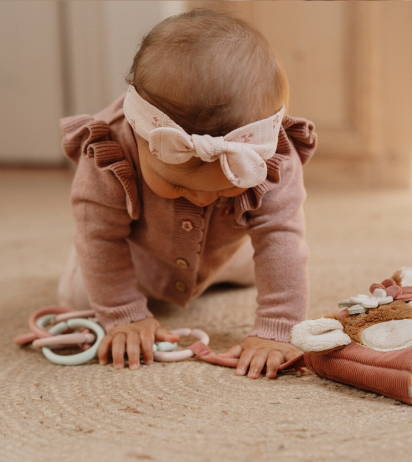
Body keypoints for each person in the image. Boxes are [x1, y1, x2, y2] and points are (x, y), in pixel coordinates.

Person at [57, 8, 317, 378]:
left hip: (227, 248)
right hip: (138, 254)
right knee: (79, 300)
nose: (203, 199)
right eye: (177, 185)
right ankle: (81, 266)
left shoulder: (273, 155)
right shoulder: (107, 150)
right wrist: (123, 315)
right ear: (138, 132)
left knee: (274, 265)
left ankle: (217, 273)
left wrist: (277, 329)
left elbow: (281, 238)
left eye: (228, 185)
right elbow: (100, 235)